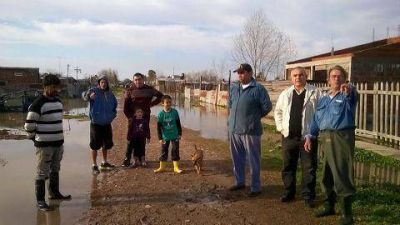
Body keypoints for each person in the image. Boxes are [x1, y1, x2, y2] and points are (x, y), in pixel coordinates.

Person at [304, 65, 357, 225]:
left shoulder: (348, 95)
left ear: (345, 78)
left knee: (341, 173)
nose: (336, 78)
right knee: (326, 174)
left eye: (340, 76)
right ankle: (329, 205)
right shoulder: (324, 99)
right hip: (325, 137)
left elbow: (353, 93)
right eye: (333, 76)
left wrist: (350, 89)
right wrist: (309, 135)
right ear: (328, 79)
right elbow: (316, 119)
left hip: (341, 137)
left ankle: (347, 214)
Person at [274, 67, 321, 208]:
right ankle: (289, 192)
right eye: (295, 75)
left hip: (307, 138)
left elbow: (320, 114)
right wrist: (281, 128)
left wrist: (313, 132)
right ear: (291, 78)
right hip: (289, 137)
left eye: (301, 75)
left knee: (309, 168)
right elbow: (278, 112)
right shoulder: (285, 93)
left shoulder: (315, 92)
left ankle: (308, 195)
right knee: (288, 166)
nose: (298, 77)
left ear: (306, 76)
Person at [24, 74, 71, 211]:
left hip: (58, 144)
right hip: (44, 145)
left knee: (55, 169)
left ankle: (54, 193)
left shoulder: (58, 101)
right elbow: (29, 126)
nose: (56, 89)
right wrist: (35, 139)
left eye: (58, 87)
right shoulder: (38, 104)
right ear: (45, 87)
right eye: (53, 87)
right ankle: (40, 201)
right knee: (41, 173)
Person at [227, 63, 272, 197]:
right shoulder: (234, 88)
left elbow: (267, 107)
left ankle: (256, 187)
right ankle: (240, 181)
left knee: (253, 160)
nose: (240, 75)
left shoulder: (258, 89)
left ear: (250, 73)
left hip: (251, 131)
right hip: (235, 130)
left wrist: (253, 118)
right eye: (238, 72)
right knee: (237, 159)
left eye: (242, 72)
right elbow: (230, 104)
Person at [122, 72, 163, 166]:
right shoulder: (129, 90)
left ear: (143, 80)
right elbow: (125, 108)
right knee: (132, 138)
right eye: (135, 80)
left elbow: (160, 96)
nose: (138, 81)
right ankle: (128, 158)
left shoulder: (149, 89)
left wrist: (150, 105)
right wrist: (130, 118)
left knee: (142, 137)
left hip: (145, 117)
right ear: (133, 81)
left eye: (139, 79)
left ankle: (142, 157)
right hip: (133, 119)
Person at [83, 76, 118, 174]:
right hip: (96, 123)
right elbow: (84, 95)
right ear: (99, 83)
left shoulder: (110, 93)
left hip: (106, 123)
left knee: (106, 144)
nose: (104, 84)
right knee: (94, 145)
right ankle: (94, 165)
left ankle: (104, 162)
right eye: (102, 82)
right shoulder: (93, 91)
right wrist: (89, 96)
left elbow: (115, 105)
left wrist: (112, 115)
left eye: (105, 82)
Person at [154, 95, 183, 173]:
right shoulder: (160, 114)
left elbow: (178, 123)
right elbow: (158, 127)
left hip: (175, 135)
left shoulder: (175, 112)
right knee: (163, 151)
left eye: (170, 102)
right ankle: (162, 167)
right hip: (165, 136)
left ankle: (176, 167)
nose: (169, 104)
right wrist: (160, 138)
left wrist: (180, 133)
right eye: (167, 102)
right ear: (163, 103)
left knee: (175, 150)